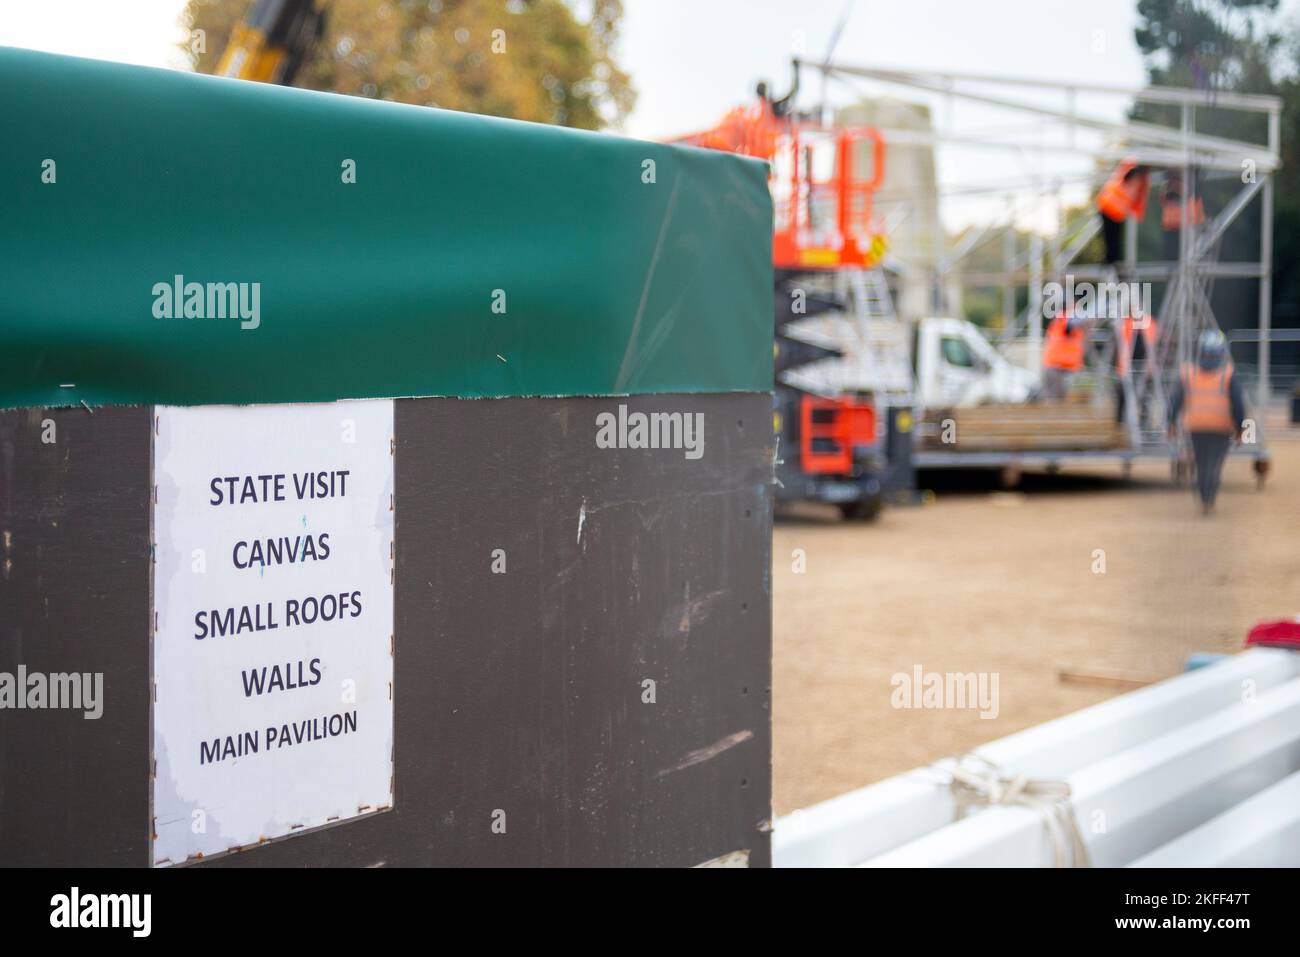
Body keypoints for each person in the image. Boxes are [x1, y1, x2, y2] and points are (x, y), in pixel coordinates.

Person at [1168, 329, 1246, 514]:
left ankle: (1204, 499)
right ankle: (1209, 498)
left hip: (1196, 427)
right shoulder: (1228, 374)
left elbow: (1175, 400)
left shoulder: (1188, 373)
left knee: (1201, 465)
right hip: (1221, 428)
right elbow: (1238, 405)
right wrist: (1240, 429)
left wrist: (1170, 422)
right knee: (1215, 465)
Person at [1097, 158, 1151, 270]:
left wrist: (1138, 213)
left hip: (1116, 212)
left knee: (1114, 242)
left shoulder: (1142, 180)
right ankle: (1110, 263)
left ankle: (1111, 262)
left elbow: (1139, 201)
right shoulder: (1131, 170)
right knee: (1111, 241)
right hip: (1109, 208)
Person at [1041, 303, 1098, 401]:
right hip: (1056, 368)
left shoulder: (1075, 325)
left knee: (1062, 403)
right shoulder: (1063, 319)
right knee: (1054, 403)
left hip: (1066, 368)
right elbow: (1074, 323)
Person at [1160, 170, 1205, 262]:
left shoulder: (1189, 187)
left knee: (1187, 260)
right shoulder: (1169, 186)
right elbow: (1165, 199)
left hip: (1186, 228)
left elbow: (1182, 195)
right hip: (1173, 229)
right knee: (1172, 262)